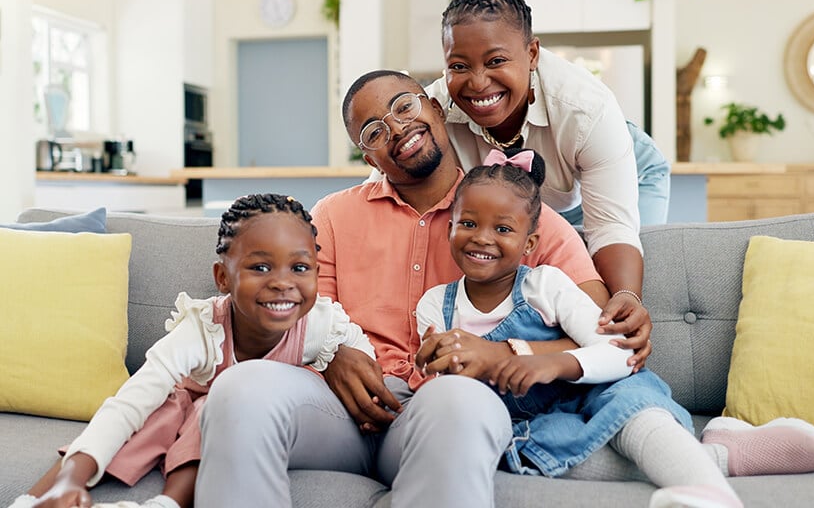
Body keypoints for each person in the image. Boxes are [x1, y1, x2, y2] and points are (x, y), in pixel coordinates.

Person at [194, 70, 645, 508]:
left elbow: (601, 329)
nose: (397, 128)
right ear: (369, 158)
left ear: (434, 107)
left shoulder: (518, 213)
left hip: (445, 407)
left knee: (458, 398)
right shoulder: (331, 216)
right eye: (374, 131)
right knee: (239, 388)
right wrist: (331, 354)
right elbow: (305, 311)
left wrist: (505, 354)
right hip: (336, 416)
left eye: (404, 106)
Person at [414, 147, 814, 508]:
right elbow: (444, 382)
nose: (481, 238)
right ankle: (719, 456)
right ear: (449, 227)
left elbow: (618, 351)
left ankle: (709, 493)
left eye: (502, 228)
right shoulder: (436, 305)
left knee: (631, 408)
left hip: (598, 392)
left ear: (529, 244)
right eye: (467, 223)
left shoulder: (546, 285)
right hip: (529, 425)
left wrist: (551, 363)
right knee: (543, 455)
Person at [11, 194, 374, 508]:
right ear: (222, 278)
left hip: (255, 427)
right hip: (181, 414)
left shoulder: (320, 325)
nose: (282, 283)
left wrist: (340, 362)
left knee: (210, 406)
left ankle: (169, 502)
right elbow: (130, 402)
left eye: (300, 268)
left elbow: (365, 361)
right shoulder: (202, 328)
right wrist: (71, 479)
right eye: (260, 267)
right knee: (167, 407)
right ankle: (41, 496)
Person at [427, 0, 661, 342]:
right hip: (520, 206)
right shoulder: (434, 111)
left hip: (623, 174)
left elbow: (611, 227)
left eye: (496, 61)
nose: (477, 82)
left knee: (619, 286)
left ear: (532, 54)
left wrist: (627, 298)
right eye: (459, 66)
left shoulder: (585, 109)